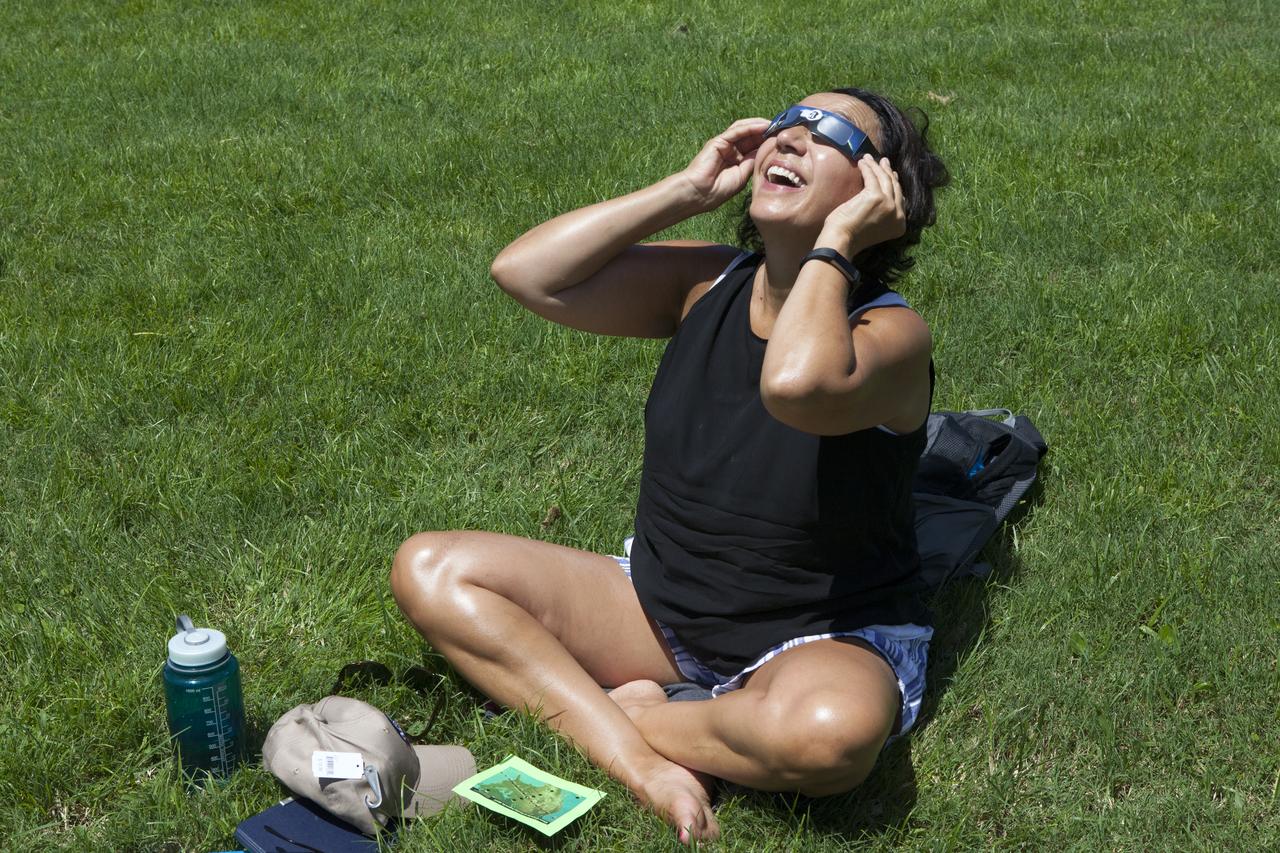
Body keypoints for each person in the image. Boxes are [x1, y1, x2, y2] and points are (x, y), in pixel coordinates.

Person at [390, 87, 949, 844]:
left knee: (829, 737)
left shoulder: (890, 333)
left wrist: (837, 247)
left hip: (821, 637)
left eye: (833, 136)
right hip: (659, 608)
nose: (791, 138)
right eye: (787, 122)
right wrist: (687, 190)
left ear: (882, 192)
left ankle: (645, 712)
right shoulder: (707, 284)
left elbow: (794, 384)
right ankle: (640, 755)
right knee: (430, 568)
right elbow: (528, 273)